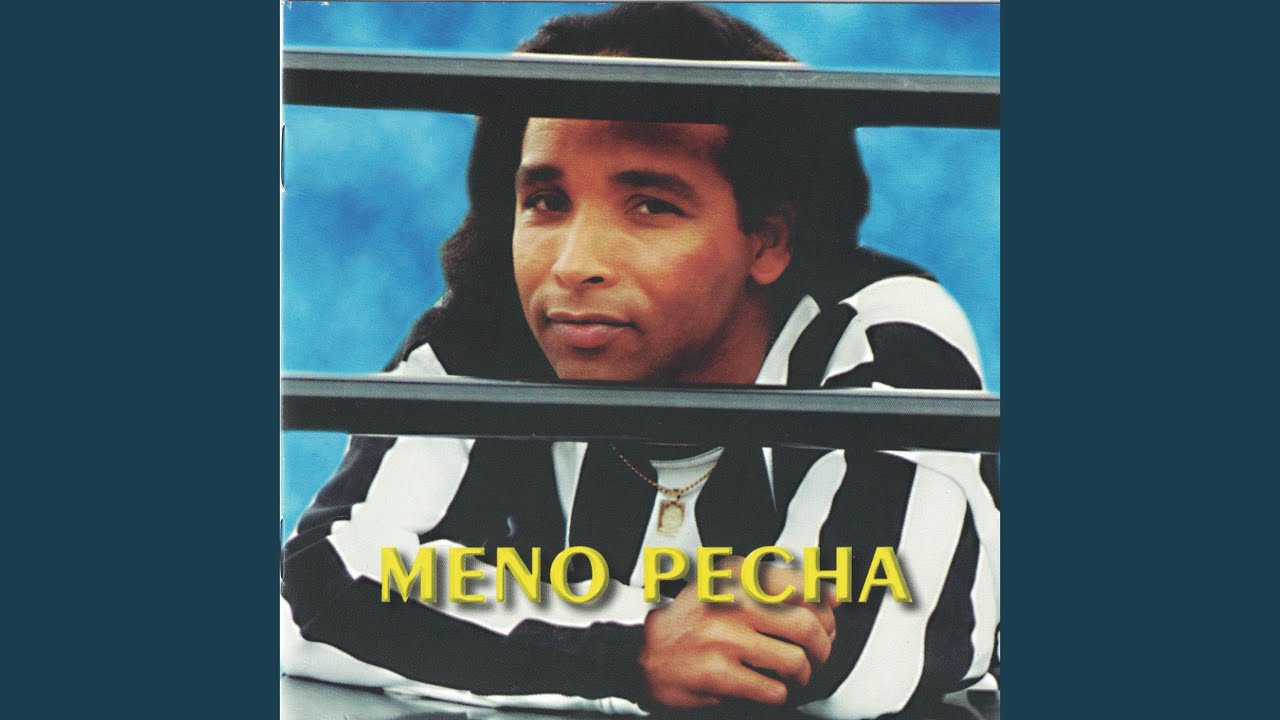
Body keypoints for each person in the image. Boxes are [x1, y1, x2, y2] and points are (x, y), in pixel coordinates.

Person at [281, 4, 999, 718]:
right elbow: (311, 592)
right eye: (547, 201)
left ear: (767, 240)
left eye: (650, 205)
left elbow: (851, 663)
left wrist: (478, 619)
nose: (573, 264)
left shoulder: (887, 336)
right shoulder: (485, 332)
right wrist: (631, 653)